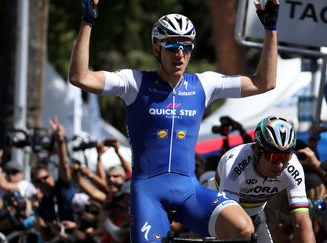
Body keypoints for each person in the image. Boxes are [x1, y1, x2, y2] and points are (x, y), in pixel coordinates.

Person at [69, 0, 281, 241]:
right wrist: (87, 21)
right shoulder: (134, 83)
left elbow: (265, 82)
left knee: (243, 228)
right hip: (148, 193)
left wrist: (270, 28)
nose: (179, 53)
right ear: (156, 49)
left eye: (186, 46)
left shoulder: (204, 84)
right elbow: (79, 77)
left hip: (188, 190)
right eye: (171, 45)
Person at [208, 116, 316, 243]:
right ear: (258, 151)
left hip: (255, 213)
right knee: (242, 230)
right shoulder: (234, 163)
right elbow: (231, 219)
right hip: (216, 211)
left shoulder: (293, 167)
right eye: (273, 157)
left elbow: (302, 221)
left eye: (285, 157)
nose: (280, 165)